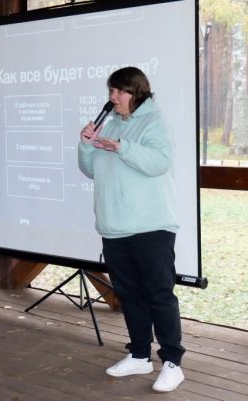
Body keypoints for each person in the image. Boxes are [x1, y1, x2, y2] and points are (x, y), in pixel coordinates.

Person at [78, 67, 185, 393]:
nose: (113, 98)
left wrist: (123, 147)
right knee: (129, 295)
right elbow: (91, 170)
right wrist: (86, 145)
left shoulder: (154, 123)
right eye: (111, 92)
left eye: (119, 92)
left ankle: (172, 363)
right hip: (114, 227)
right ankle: (140, 355)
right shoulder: (110, 124)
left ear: (136, 91)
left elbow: (159, 162)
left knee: (159, 294)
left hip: (150, 226)